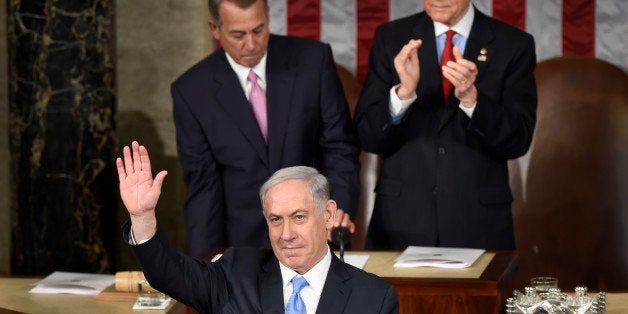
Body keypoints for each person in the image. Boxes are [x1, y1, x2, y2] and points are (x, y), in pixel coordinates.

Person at [172, 0, 361, 259]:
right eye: (238, 35)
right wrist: (203, 270)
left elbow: (340, 148)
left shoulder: (312, 61)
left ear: (269, 17)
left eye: (258, 30)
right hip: (242, 247)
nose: (251, 44)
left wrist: (335, 210)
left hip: (316, 235)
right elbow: (203, 188)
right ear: (214, 28)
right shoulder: (192, 91)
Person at [117, 141, 399, 313]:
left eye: (299, 217)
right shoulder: (236, 273)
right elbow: (169, 274)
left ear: (327, 215)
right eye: (276, 219)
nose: (286, 234)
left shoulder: (373, 298)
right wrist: (142, 216)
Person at [354, 0, 537, 250]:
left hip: (478, 225)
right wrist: (403, 94)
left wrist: (473, 100)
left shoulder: (513, 44)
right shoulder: (392, 37)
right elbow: (369, 136)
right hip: (400, 223)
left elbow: (518, 140)